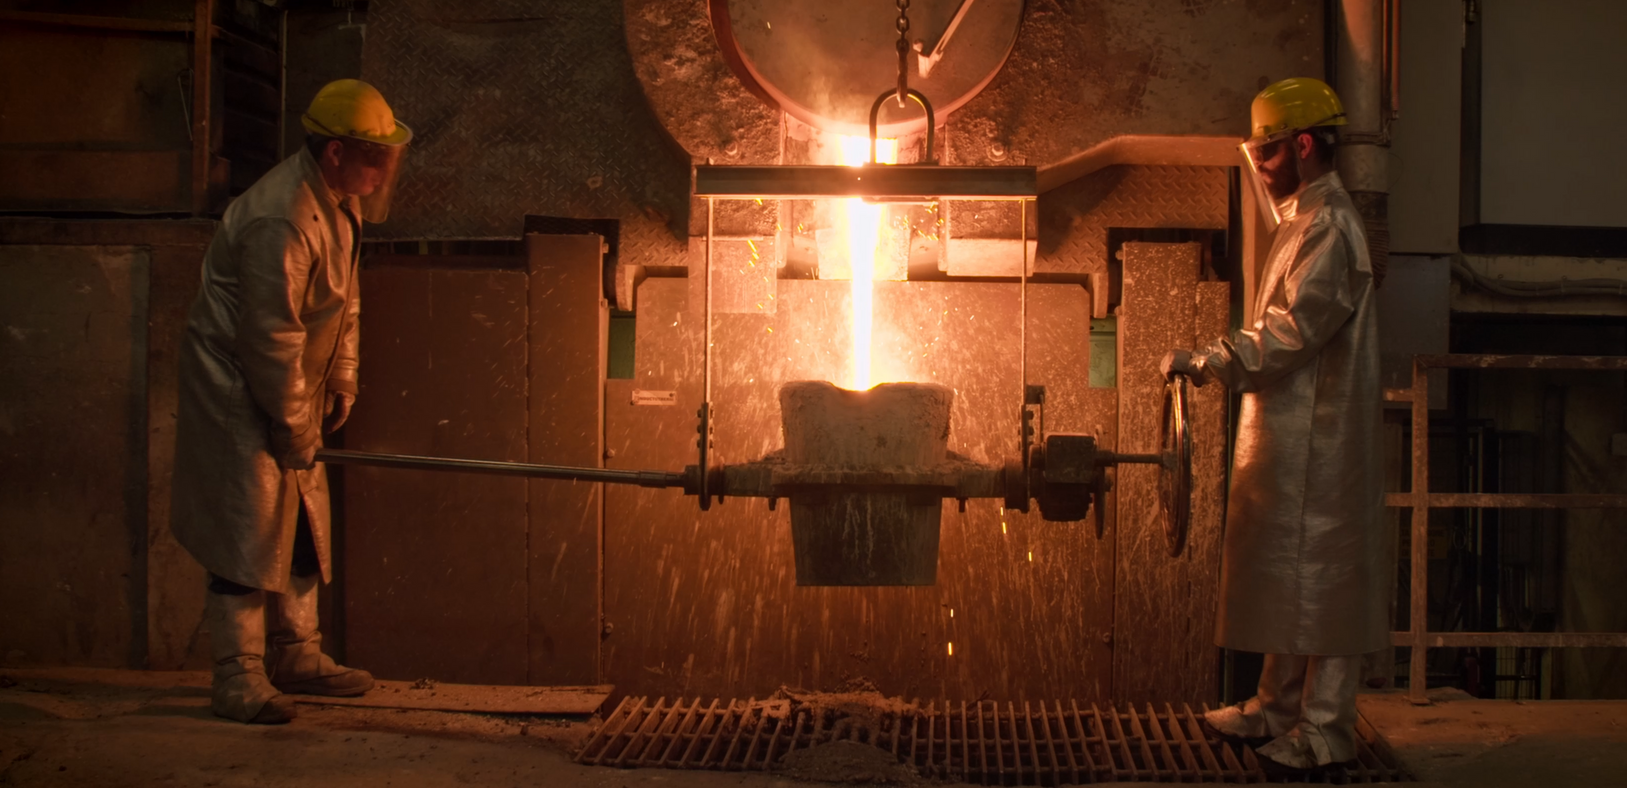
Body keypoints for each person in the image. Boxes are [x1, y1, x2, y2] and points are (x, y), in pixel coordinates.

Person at [1160, 77, 1385, 775]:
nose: (1259, 163)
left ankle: (1325, 731)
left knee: (1325, 585)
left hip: (1322, 439)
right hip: (1294, 434)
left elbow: (1294, 331)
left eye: (1267, 150)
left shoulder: (1330, 227)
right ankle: (1275, 710)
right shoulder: (1303, 218)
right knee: (1292, 580)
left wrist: (1213, 359)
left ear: (1303, 145)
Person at [171, 79, 411, 724]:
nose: (385, 166)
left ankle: (297, 653)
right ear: (335, 151)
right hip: (238, 388)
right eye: (374, 153)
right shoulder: (281, 216)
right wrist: (292, 421)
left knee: (301, 520)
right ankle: (237, 674)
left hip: (290, 383)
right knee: (244, 529)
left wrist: (343, 376)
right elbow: (271, 337)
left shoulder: (338, 199)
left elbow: (345, 299)